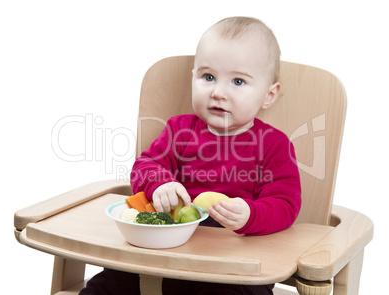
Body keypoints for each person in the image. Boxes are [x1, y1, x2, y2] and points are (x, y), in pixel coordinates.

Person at [80, 16, 301, 295]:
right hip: (159, 256)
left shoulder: (274, 145)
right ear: (193, 78)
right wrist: (160, 183)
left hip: (231, 269)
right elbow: (145, 166)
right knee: (106, 285)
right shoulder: (178, 131)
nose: (219, 92)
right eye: (208, 77)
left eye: (238, 81)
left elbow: (285, 204)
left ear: (269, 95)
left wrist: (251, 215)